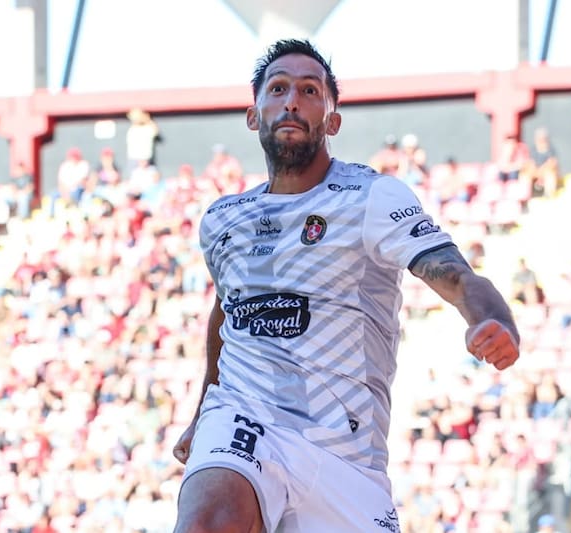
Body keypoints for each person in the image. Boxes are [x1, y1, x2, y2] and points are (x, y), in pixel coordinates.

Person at [172, 38, 520, 533]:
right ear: (254, 115)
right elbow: (228, 310)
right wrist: (204, 412)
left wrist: (493, 319)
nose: (292, 101)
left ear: (332, 121)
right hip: (243, 420)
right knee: (209, 518)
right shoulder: (223, 219)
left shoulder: (371, 197)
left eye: (310, 90)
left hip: (346, 456)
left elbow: (454, 273)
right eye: (278, 89)